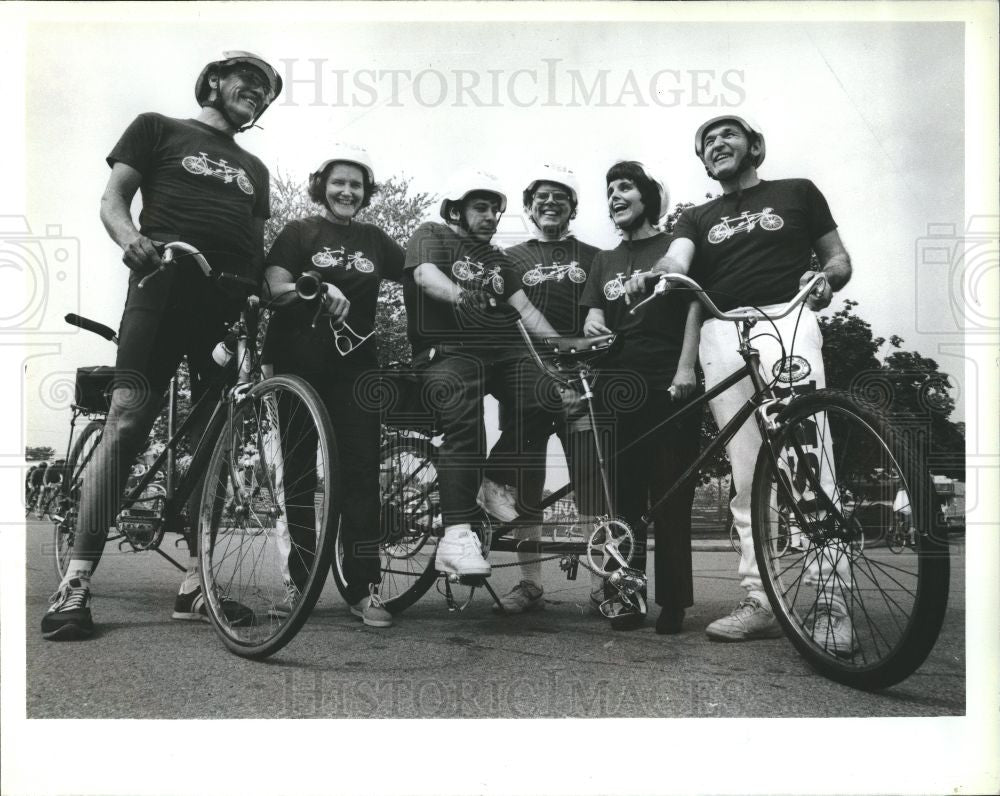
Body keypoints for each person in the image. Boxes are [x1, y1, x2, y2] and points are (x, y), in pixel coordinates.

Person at [41, 51, 282, 640]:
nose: (256, 90)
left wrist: (257, 294)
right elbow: (113, 199)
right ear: (214, 81)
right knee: (128, 420)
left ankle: (195, 585)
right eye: (247, 79)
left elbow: (255, 243)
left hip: (226, 303)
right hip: (162, 283)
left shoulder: (255, 166)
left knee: (215, 442)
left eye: (267, 90)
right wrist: (131, 241)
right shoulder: (157, 127)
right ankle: (74, 583)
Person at [628, 115, 853, 647]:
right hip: (721, 329)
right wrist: (658, 272)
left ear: (756, 145)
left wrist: (826, 279)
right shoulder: (696, 216)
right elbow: (676, 258)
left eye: (728, 134)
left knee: (806, 457)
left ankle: (830, 600)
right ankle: (761, 598)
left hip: (788, 316)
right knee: (747, 471)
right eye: (707, 141)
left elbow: (838, 257)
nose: (717, 143)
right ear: (703, 160)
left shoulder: (797, 192)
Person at [263, 144, 404, 628]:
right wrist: (318, 288)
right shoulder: (298, 231)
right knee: (299, 474)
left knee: (361, 474)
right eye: (339, 182)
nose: (347, 191)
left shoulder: (376, 239)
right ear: (322, 185)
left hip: (356, 368)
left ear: (367, 193)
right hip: (298, 365)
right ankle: (298, 584)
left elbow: (418, 276)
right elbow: (272, 288)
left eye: (357, 185)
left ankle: (363, 588)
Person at [403, 169, 559, 580]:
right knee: (466, 416)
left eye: (495, 209)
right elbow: (425, 275)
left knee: (549, 393)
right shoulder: (432, 233)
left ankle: (494, 479)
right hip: (447, 352)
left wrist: (565, 347)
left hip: (498, 356)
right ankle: (456, 535)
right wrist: (461, 295)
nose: (491, 216)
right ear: (456, 209)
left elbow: (525, 311)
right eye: (481, 207)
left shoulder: (497, 260)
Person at [573, 161, 701, 632]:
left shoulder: (674, 248)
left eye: (624, 187)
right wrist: (591, 322)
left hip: (668, 381)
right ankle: (626, 597)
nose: (614, 196)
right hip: (614, 387)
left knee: (670, 491)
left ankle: (673, 602)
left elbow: (695, 308)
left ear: (647, 196)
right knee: (620, 499)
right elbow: (592, 318)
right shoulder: (603, 261)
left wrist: (687, 366)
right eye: (609, 189)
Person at [485, 165, 600, 613]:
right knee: (525, 485)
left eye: (560, 197)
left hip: (581, 384)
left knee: (591, 484)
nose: (550, 203)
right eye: (541, 198)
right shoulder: (508, 258)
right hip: (526, 385)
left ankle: (602, 584)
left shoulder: (595, 256)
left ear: (573, 206)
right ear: (529, 208)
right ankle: (530, 584)